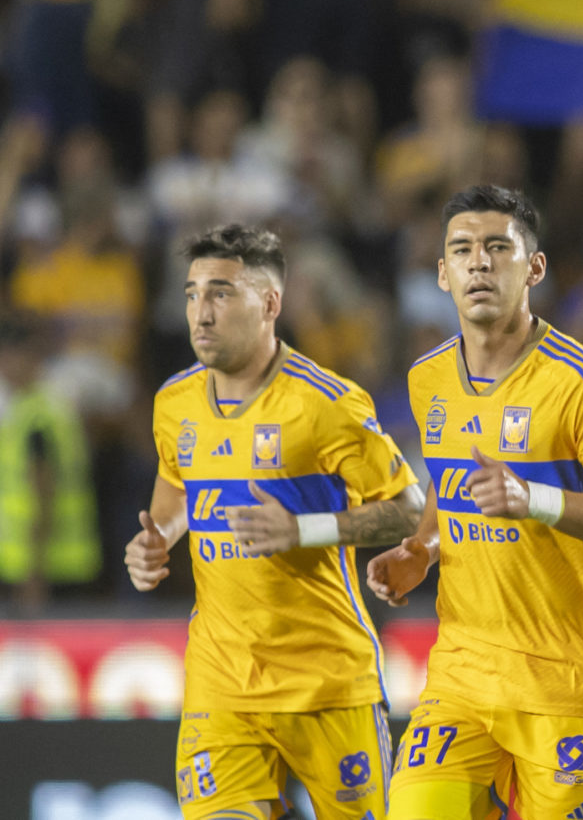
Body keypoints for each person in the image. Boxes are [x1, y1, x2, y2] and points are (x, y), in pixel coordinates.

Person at [365, 184, 583, 820]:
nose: (479, 262)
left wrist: (536, 498)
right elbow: (451, 486)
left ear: (533, 268)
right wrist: (422, 547)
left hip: (562, 682)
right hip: (461, 677)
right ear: (441, 273)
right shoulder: (428, 379)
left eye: (497, 247)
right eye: (463, 250)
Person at [123, 224, 425, 820]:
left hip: (327, 682)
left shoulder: (325, 403)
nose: (200, 313)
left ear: (270, 303)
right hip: (223, 679)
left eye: (221, 293)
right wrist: (156, 541)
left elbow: (409, 508)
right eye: (191, 294)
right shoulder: (174, 403)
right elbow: (177, 488)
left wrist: (303, 529)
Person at [0, 311, 99, 614]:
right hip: (63, 562)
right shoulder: (50, 406)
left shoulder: (37, 418)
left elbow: (44, 493)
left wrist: (34, 571)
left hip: (44, 569)